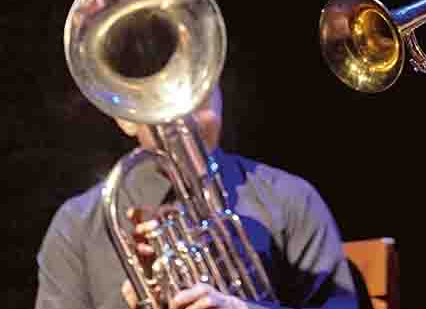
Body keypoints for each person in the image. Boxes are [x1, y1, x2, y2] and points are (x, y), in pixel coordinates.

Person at [35, 84, 359, 309]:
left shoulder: (291, 199)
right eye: (159, 101)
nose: (183, 121)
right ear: (125, 118)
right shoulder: (76, 225)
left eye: (198, 96)